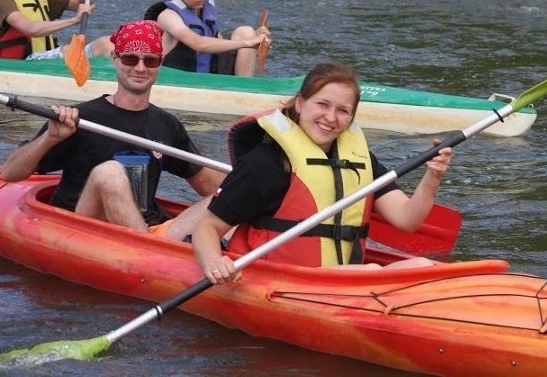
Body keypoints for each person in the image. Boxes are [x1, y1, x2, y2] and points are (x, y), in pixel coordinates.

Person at [192, 62, 453, 283]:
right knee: (374, 271)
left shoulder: (360, 160)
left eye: (342, 111)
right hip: (278, 279)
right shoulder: (266, 163)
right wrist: (215, 264)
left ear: (351, 117)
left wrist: (433, 177)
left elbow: (407, 220)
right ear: (301, 103)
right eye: (323, 104)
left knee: (421, 265)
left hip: (337, 282)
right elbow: (207, 227)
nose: (330, 117)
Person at [1, 20, 225, 240]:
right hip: (86, 228)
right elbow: (10, 173)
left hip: (148, 229)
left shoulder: (167, 125)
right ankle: (145, 250)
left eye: (150, 60)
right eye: (130, 58)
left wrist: (251, 176)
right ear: (115, 59)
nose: (140, 67)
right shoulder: (80, 118)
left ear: (160, 63)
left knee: (240, 190)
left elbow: (209, 184)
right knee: (110, 172)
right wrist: (49, 138)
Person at [144, 0, 270, 76]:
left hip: (210, 73)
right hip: (181, 78)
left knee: (245, 32)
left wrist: (255, 40)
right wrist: (248, 43)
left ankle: (244, 89)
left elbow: (216, 42)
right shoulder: (168, 16)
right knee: (246, 41)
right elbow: (198, 44)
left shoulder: (205, 10)